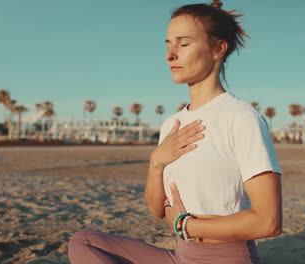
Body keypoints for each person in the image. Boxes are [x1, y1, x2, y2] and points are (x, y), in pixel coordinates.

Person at [68, 1, 282, 263]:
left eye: (183, 43)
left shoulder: (241, 117)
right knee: (84, 241)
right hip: (182, 256)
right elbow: (157, 209)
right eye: (168, 44)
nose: (169, 54)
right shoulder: (172, 123)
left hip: (226, 258)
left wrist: (187, 226)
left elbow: (268, 221)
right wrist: (156, 163)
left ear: (218, 48)